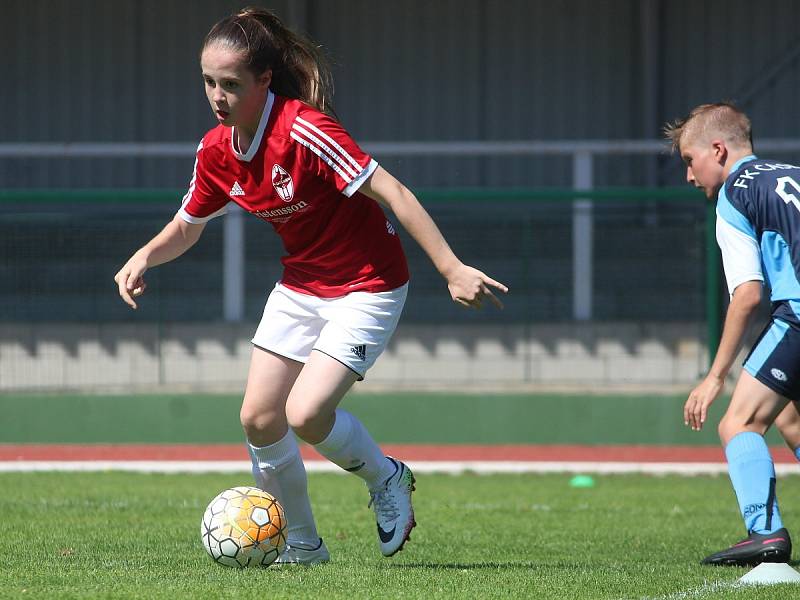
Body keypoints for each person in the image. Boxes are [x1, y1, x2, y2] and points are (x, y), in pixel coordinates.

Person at [114, 6, 507, 565]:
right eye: (208, 82)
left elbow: (391, 190)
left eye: (231, 84)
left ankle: (387, 477)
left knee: (305, 414)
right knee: (258, 417)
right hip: (302, 284)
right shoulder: (216, 151)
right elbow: (187, 226)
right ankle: (303, 546)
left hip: (369, 284)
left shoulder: (304, 130)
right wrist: (144, 257)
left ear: (264, 79)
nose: (217, 96)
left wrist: (451, 268)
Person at [665, 102, 800, 566]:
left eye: (689, 161)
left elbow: (746, 294)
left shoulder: (735, 194)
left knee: (738, 423)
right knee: (791, 419)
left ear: (717, 150)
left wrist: (715, 376)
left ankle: (764, 534)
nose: (688, 176)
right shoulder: (793, 173)